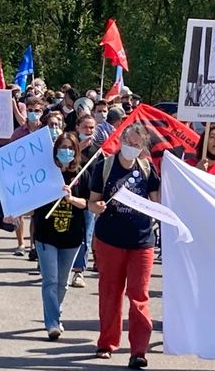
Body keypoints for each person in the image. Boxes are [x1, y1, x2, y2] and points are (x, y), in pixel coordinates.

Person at [88, 123, 160, 369]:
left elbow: (157, 202)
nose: (132, 148)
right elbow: (92, 202)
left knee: (139, 295)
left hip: (141, 242)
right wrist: (96, 208)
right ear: (121, 141)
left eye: (137, 145)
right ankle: (107, 343)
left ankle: (138, 350)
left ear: (143, 148)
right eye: (129, 143)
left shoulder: (148, 169)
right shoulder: (104, 167)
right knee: (110, 293)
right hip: (110, 240)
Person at [32, 133, 90, 339]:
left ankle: (56, 311)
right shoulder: (46, 172)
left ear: (75, 151)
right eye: (62, 147)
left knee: (62, 282)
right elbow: (32, 198)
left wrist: (71, 198)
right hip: (46, 235)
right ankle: (52, 323)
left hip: (72, 236)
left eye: (70, 148)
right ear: (55, 150)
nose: (66, 151)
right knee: (50, 280)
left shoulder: (82, 174)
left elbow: (88, 204)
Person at [9, 98, 46, 255]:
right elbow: (10, 155)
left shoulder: (45, 131)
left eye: (37, 110)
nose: (33, 113)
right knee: (19, 211)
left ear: (42, 112)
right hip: (21, 176)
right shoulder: (18, 133)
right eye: (30, 110)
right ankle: (20, 243)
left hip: (39, 178)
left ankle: (33, 245)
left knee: (37, 214)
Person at [70, 114, 98, 288]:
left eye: (92, 128)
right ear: (78, 128)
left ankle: (79, 271)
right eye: (86, 127)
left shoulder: (97, 151)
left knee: (85, 235)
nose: (89, 131)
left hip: (86, 200)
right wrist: (77, 150)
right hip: (68, 198)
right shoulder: (68, 146)